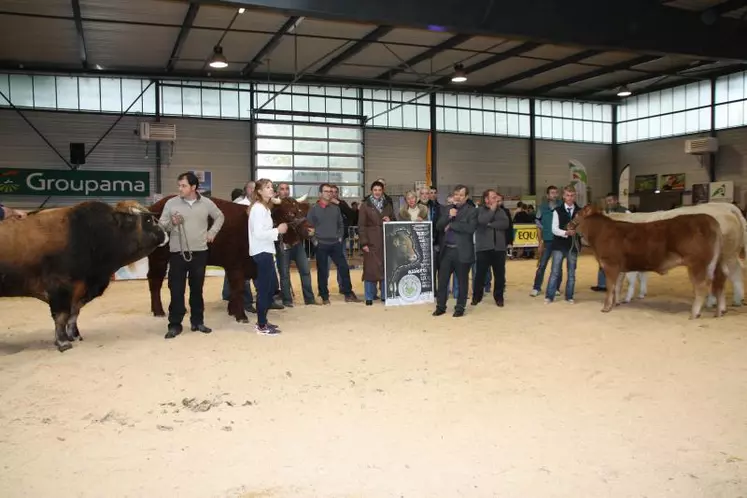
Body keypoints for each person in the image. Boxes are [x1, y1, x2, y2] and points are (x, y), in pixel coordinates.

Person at [159, 172, 225, 339]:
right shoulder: (171, 203)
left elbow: (220, 216)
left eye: (183, 186)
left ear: (193, 187)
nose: (179, 188)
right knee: (176, 290)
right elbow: (161, 226)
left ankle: (198, 321)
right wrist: (171, 223)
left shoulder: (206, 203)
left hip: (200, 253)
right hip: (177, 254)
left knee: (197, 289)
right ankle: (175, 324)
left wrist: (212, 232)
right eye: (179, 185)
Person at [308, 183, 361, 305]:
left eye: (330, 191)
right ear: (320, 194)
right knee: (322, 271)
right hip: (321, 244)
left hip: (335, 244)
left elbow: (340, 224)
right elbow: (309, 227)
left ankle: (348, 293)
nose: (329, 193)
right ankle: (324, 295)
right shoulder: (313, 209)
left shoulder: (336, 209)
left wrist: (340, 237)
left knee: (343, 267)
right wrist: (315, 241)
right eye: (326, 191)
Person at [247, 179, 287, 335]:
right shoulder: (258, 209)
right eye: (267, 187)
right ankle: (261, 325)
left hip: (266, 251)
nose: (271, 189)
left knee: (269, 289)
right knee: (264, 290)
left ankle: (262, 320)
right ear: (259, 192)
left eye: (271, 187)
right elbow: (258, 234)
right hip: (261, 253)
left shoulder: (264, 208)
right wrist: (277, 230)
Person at [433, 184, 477, 317]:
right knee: (442, 280)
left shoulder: (472, 211)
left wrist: (451, 225)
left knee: (462, 281)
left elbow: (470, 228)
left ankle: (460, 308)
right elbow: (439, 226)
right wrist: (448, 217)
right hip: (447, 250)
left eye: (461, 195)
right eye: (456, 194)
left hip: (462, 251)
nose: (458, 197)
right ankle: (441, 306)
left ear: (466, 197)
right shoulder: (447, 209)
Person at [275, 182, 318, 307]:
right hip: (283, 244)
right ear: (278, 192)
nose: (285, 191)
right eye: (282, 189)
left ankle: (309, 299)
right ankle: (287, 301)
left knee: (305, 270)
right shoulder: (274, 207)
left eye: (287, 189)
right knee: (284, 274)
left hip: (297, 243)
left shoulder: (295, 203)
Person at [358, 180, 395, 305]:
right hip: (371, 241)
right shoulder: (365, 205)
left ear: (382, 191)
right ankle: (369, 296)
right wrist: (364, 243)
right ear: (371, 191)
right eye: (375, 190)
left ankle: (385, 295)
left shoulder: (388, 204)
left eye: (379, 190)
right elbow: (361, 225)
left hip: (385, 240)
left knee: (385, 268)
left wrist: (390, 220)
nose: (377, 192)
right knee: (370, 269)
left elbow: (394, 219)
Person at [472, 190, 510, 307]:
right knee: (480, 275)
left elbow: (505, 224)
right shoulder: (479, 210)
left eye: (496, 197)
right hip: (483, 248)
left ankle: (499, 297)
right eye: (493, 197)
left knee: (499, 275)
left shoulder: (502, 211)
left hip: (499, 248)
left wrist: (490, 224)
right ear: (486, 199)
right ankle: (476, 297)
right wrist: (492, 211)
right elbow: (482, 221)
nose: (496, 199)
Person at [545, 186, 581, 304]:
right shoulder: (557, 210)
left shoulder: (580, 212)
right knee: (555, 271)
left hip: (573, 246)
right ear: (563, 196)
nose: (570, 198)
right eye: (567, 195)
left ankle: (569, 296)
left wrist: (578, 232)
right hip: (559, 245)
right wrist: (566, 232)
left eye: (572, 195)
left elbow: (583, 229)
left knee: (571, 273)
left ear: (575, 196)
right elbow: (554, 229)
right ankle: (549, 296)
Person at [591, 192, 630, 292]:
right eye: (607, 201)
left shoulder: (625, 212)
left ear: (616, 200)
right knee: (603, 263)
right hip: (607, 242)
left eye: (610, 200)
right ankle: (602, 285)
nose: (608, 203)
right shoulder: (605, 212)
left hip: (620, 243)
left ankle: (614, 286)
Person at [531, 185, 562, 297]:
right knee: (542, 265)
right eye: (552, 193)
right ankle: (536, 287)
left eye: (556, 192)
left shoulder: (562, 206)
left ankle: (556, 288)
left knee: (558, 266)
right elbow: (539, 226)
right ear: (547, 195)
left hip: (559, 241)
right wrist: (540, 242)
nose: (554, 194)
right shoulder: (542, 208)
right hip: (547, 241)